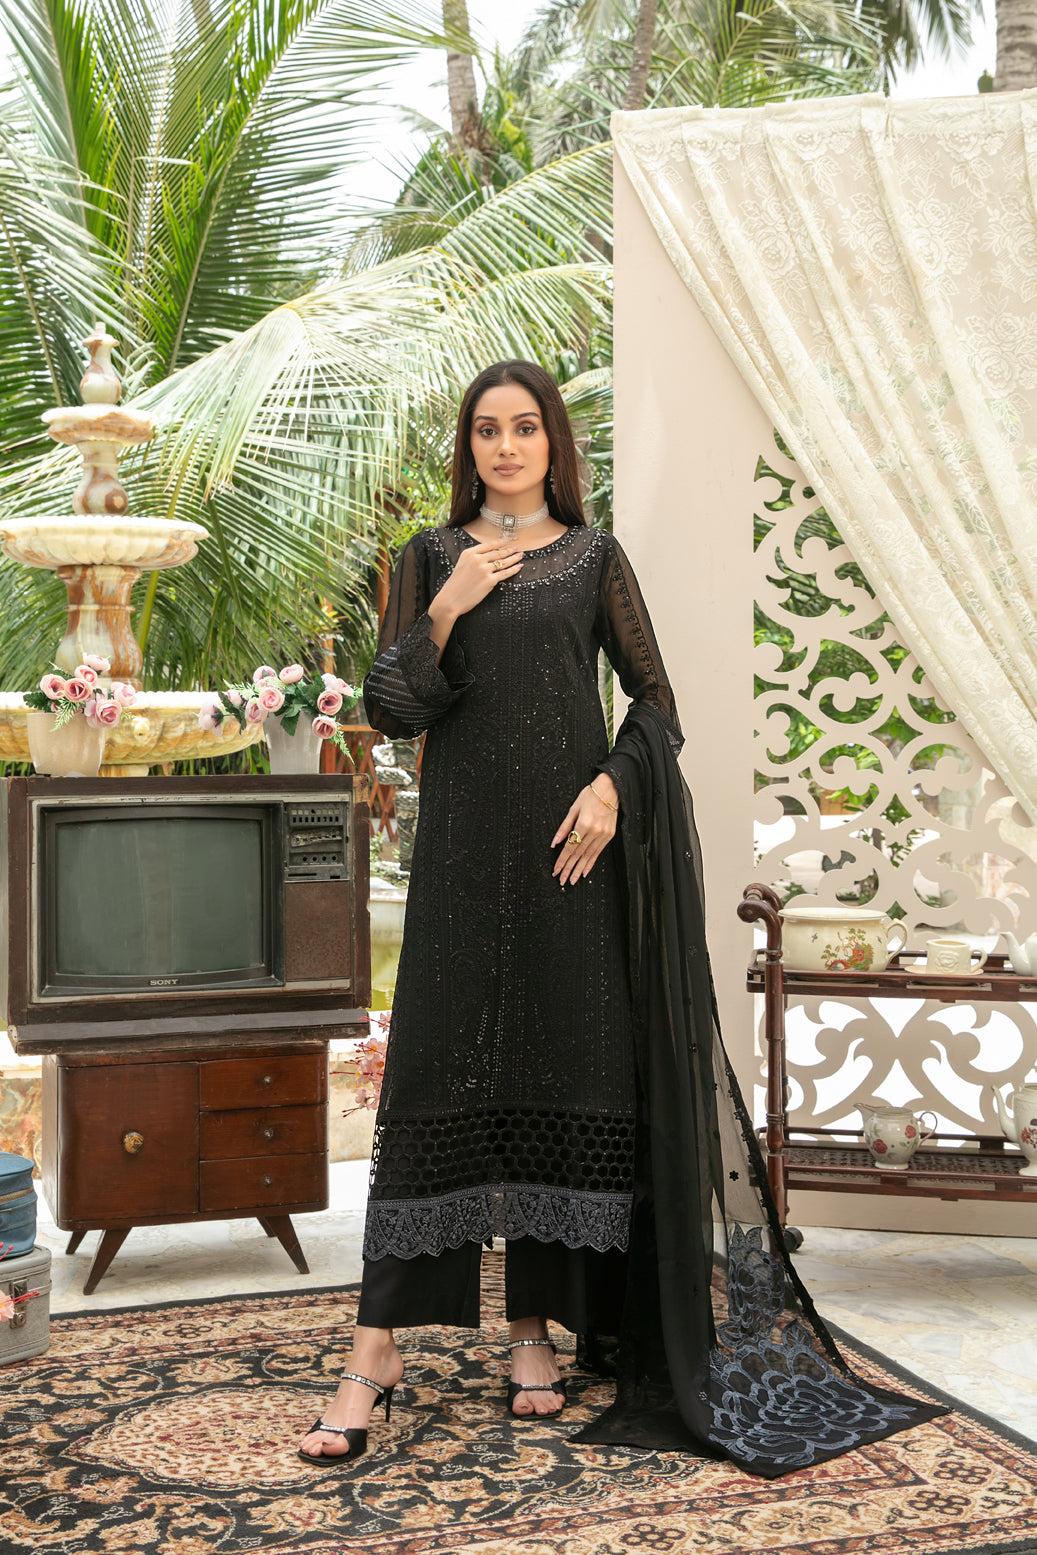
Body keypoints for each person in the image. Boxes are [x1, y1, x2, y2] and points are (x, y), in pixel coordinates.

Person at [298, 361, 944, 1477]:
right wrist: (447, 608)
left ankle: (532, 1329)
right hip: (460, 866)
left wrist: (611, 784)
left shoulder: (593, 557)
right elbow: (391, 707)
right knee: (436, 1084)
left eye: (525, 427)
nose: (506, 446)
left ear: (553, 442)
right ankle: (374, 1351)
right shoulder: (429, 557)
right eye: (487, 430)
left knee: (551, 1081)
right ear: (469, 446)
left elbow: (655, 700)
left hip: (567, 860)